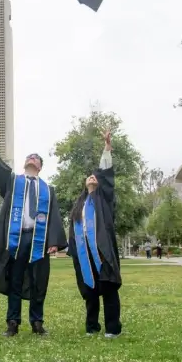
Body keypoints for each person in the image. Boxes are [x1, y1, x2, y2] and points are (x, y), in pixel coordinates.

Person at [0, 127, 67, 337]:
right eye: (29, 158)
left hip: (39, 240)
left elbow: (54, 217)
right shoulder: (14, 182)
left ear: (40, 167)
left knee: (38, 281)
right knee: (15, 280)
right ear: (25, 163)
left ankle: (37, 321)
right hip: (17, 238)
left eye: (35, 159)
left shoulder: (47, 190)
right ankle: (13, 322)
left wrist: (54, 241)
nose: (31, 160)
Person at [67, 129, 122, 338]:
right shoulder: (79, 205)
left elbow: (107, 175)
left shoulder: (104, 200)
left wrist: (107, 148)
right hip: (84, 254)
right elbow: (73, 230)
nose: (91, 177)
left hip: (102, 252)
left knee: (108, 289)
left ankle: (112, 328)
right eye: (88, 176)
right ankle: (91, 326)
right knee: (90, 291)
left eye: (94, 176)